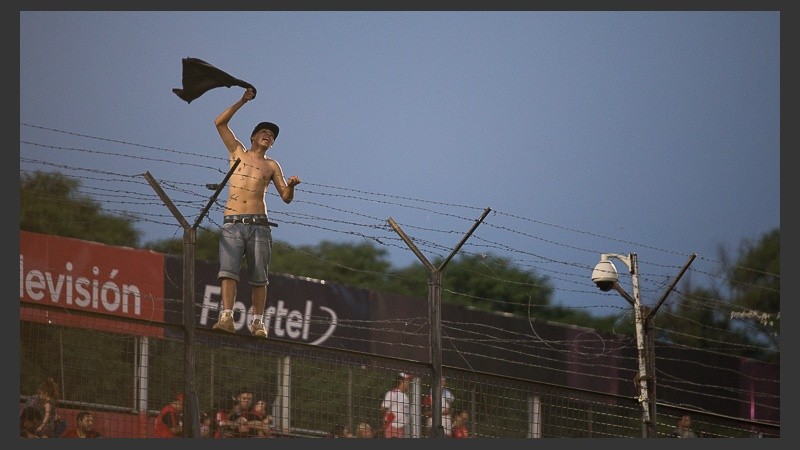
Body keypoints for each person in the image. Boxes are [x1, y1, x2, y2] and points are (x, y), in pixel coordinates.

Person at [211, 87, 301, 337]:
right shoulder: (237, 152)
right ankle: (226, 317)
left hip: (260, 225)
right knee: (228, 272)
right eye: (264, 132)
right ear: (253, 136)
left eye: (271, 136)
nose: (268, 136)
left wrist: (291, 186)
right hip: (232, 221)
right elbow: (219, 123)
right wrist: (242, 100)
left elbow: (285, 197)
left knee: (260, 276)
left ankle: (258, 323)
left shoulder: (272, 165)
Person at [380, 372, 413, 438]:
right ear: (401, 381)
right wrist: (388, 418)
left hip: (402, 429)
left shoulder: (405, 396)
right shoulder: (392, 393)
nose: (409, 383)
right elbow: (383, 408)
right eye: (407, 381)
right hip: (393, 427)